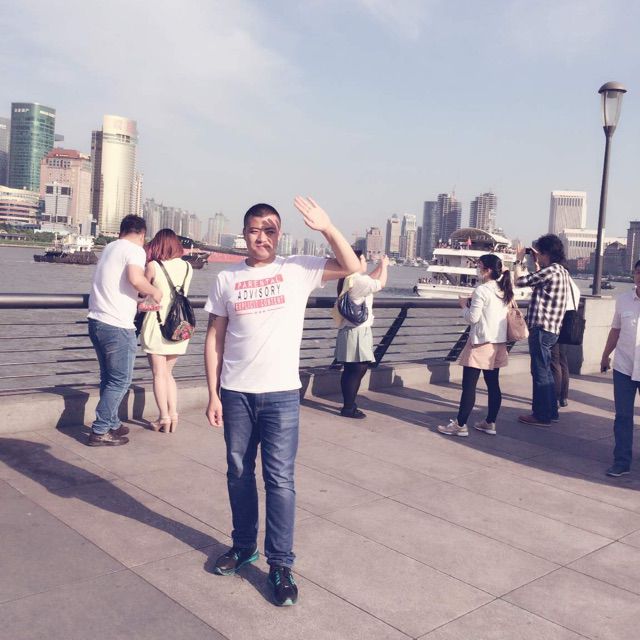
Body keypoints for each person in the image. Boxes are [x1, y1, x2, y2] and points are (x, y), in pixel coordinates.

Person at [203, 197, 359, 606]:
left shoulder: (296, 269)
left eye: (270, 230)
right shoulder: (227, 278)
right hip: (236, 393)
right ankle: (243, 547)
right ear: (244, 234)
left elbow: (352, 266)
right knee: (238, 473)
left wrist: (327, 227)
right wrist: (213, 393)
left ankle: (280, 564)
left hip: (282, 395)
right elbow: (215, 338)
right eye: (255, 230)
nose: (262, 237)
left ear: (279, 235)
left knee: (280, 481)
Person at [87, 215, 162, 446]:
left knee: (109, 378)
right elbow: (135, 279)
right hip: (117, 325)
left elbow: (121, 283)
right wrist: (155, 292)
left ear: (121, 231)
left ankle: (112, 422)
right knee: (120, 380)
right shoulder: (135, 250)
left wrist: (137, 296)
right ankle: (100, 430)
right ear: (142, 234)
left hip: (97, 320)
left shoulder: (110, 247)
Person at [437, 254, 512, 437]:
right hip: (498, 343)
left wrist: (463, 305)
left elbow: (472, 318)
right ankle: (490, 423)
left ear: (487, 270)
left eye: (479, 266)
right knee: (493, 385)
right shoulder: (504, 289)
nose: (477, 270)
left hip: (481, 343)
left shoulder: (482, 290)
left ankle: (460, 425)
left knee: (469, 385)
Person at [140, 229, 193, 433]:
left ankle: (163, 417)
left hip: (157, 324)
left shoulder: (153, 266)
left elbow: (142, 291)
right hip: (180, 326)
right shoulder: (188, 267)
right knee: (169, 373)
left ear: (158, 245)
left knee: (158, 374)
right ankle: (173, 415)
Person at [514, 234, 569, 426]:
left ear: (545, 253)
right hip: (552, 329)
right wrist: (537, 264)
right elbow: (538, 284)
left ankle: (540, 415)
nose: (536, 255)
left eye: (538, 252)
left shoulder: (551, 270)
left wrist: (518, 260)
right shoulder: (561, 271)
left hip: (541, 328)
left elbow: (519, 282)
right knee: (546, 371)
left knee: (539, 372)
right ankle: (551, 412)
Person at [335, 251, 388, 418]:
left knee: (352, 369)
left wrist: (379, 266)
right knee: (356, 369)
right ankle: (348, 407)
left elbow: (370, 280)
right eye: (363, 259)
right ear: (356, 262)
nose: (365, 262)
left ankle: (349, 405)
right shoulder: (358, 280)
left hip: (350, 330)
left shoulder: (350, 279)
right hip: (357, 331)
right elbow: (380, 284)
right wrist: (384, 266)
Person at [600, 260, 640, 477]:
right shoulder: (623, 300)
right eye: (638, 272)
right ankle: (621, 461)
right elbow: (615, 330)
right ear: (634, 274)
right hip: (624, 367)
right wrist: (605, 355)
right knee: (623, 416)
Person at [551, 274, 581, 408]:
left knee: (554, 361)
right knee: (563, 360)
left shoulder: (559, 284)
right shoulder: (574, 286)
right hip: (569, 325)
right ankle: (564, 397)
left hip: (557, 324)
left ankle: (555, 398)